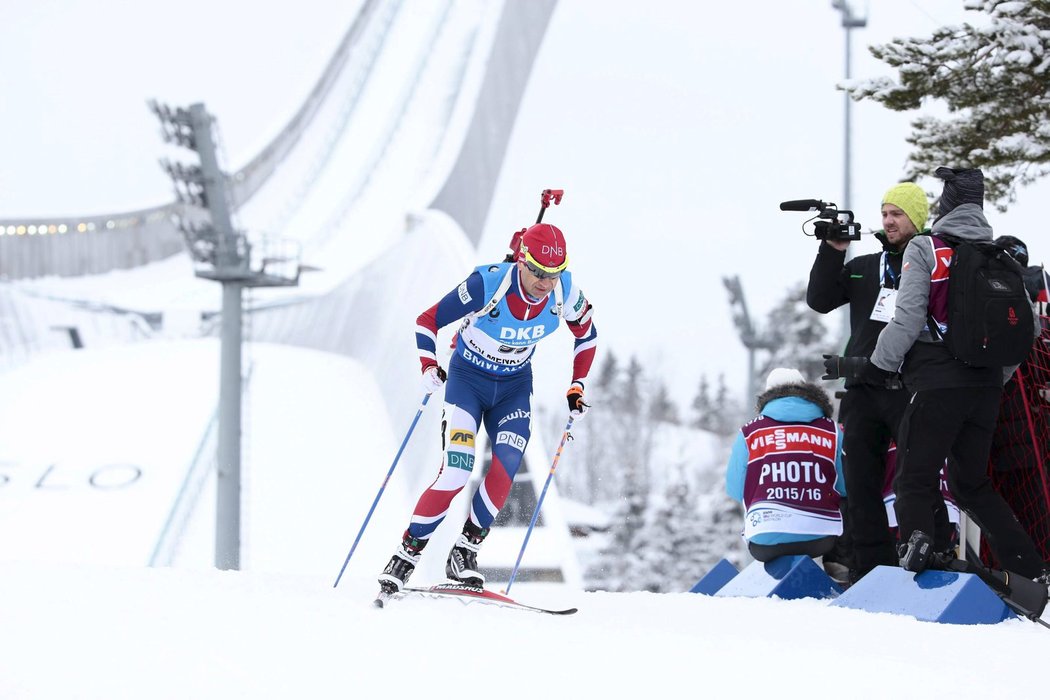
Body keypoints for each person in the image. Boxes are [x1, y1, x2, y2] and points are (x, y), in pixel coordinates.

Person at [377, 222, 598, 595]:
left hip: (513, 388)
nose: (546, 283)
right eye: (539, 273)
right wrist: (429, 365)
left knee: (507, 463)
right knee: (457, 472)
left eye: (554, 274)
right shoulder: (488, 284)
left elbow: (587, 334)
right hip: (468, 383)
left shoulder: (565, 292)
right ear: (521, 261)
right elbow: (427, 321)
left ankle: (464, 553)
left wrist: (577, 383)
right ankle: (406, 555)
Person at [865, 166, 1048, 582]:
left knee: (914, 476)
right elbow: (1030, 332)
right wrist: (996, 377)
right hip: (985, 389)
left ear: (945, 205)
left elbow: (908, 319)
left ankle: (918, 570)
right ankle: (1032, 569)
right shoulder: (999, 255)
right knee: (971, 485)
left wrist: (879, 366)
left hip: (936, 384)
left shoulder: (928, 249)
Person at [808, 181, 929, 582]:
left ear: (917, 218)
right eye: (884, 214)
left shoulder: (932, 264)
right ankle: (871, 569)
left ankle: (926, 561)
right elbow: (820, 299)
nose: (889, 221)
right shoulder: (864, 267)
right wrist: (832, 250)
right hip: (861, 388)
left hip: (909, 388)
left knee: (914, 480)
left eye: (897, 214)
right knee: (860, 484)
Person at [725, 368, 846, 566]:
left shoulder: (750, 432)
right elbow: (845, 487)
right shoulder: (832, 430)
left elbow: (735, 489)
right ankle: (840, 571)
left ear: (767, 395)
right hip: (822, 539)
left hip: (764, 542)